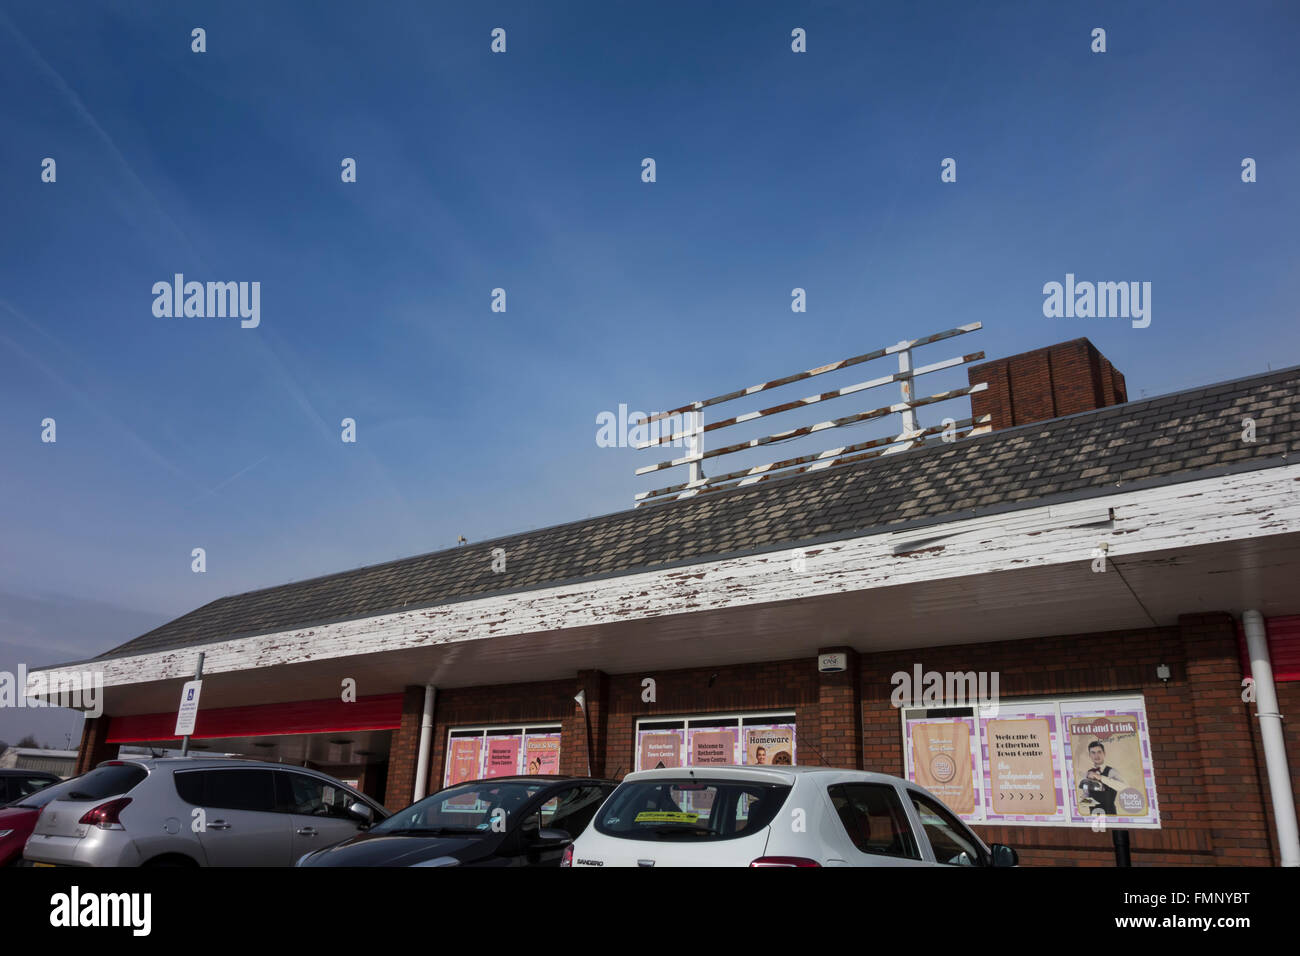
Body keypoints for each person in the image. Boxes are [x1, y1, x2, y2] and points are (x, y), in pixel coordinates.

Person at [1078, 741, 1126, 816]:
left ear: (1104, 753)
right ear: (1089, 755)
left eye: (1099, 752)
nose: (1096, 755)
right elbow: (1087, 795)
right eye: (1093, 753)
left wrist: (1100, 777)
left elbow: (1124, 787)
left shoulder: (1111, 771)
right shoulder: (1088, 773)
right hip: (1094, 814)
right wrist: (1082, 801)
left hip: (1110, 814)